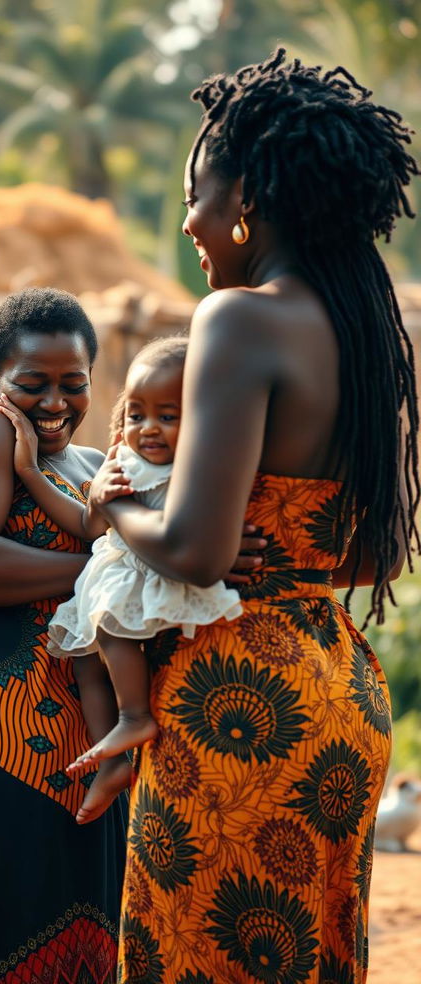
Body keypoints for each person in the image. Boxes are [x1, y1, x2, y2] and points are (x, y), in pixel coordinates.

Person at [88, 50, 420, 984]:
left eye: (197, 195)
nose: (191, 222)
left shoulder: (237, 323)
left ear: (244, 200)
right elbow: (367, 556)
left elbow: (196, 552)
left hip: (236, 708)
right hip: (339, 694)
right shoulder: (362, 330)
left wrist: (117, 510)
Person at [0, 288, 263, 984]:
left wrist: (186, 564)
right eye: (32, 384)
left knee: (71, 910)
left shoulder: (98, 469)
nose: (55, 402)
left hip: (82, 735)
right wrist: (102, 574)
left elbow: (159, 561)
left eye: (74, 384)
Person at [0, 335, 241, 825]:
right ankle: (112, 760)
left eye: (168, 417)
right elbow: (90, 526)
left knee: (110, 630)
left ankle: (134, 717)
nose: (148, 429)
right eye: (136, 415)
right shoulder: (119, 463)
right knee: (87, 662)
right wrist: (31, 471)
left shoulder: (199, 468)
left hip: (151, 583)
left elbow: (196, 532)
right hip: (111, 578)